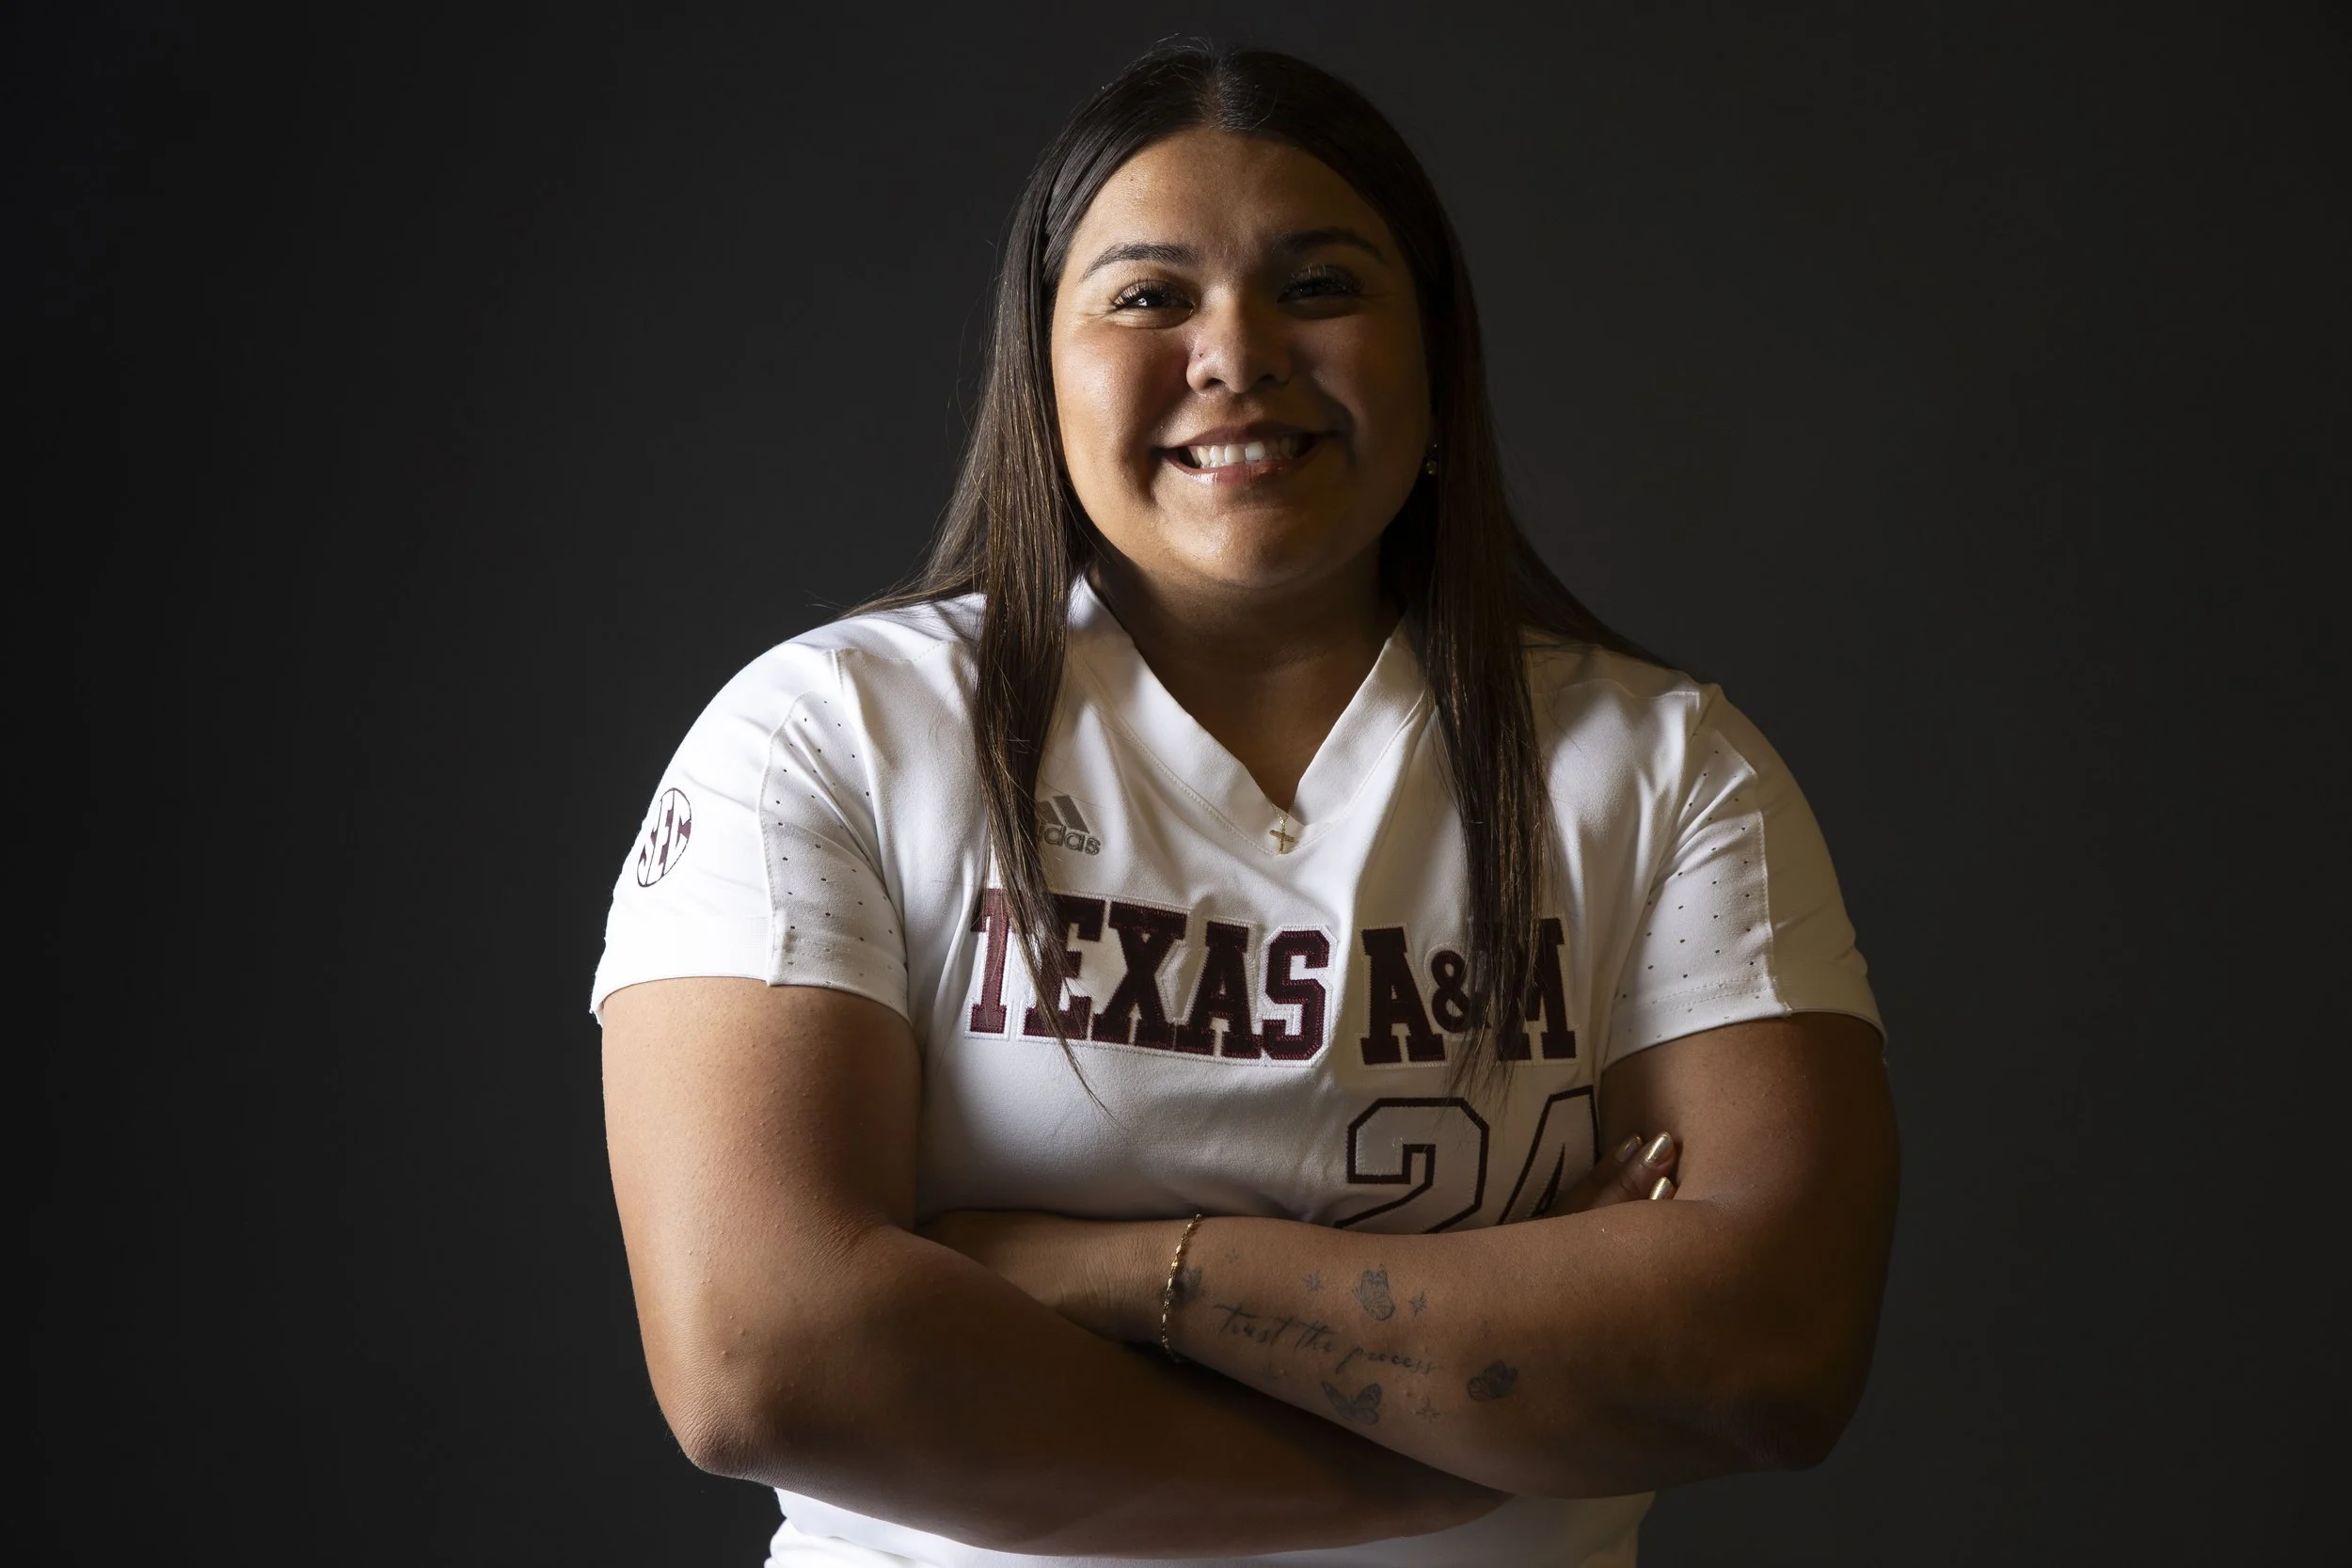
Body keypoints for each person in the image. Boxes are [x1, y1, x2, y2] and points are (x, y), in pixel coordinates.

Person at [593, 41, 1897, 1568]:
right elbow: (765, 1361)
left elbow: (1770, 1351)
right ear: (1043, 368)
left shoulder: (1670, 769)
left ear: (1435, 357)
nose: (1238, 352)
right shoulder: (823, 738)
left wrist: (1114, 1272)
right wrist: (1460, 1440)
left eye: (1321, 286)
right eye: (1149, 296)